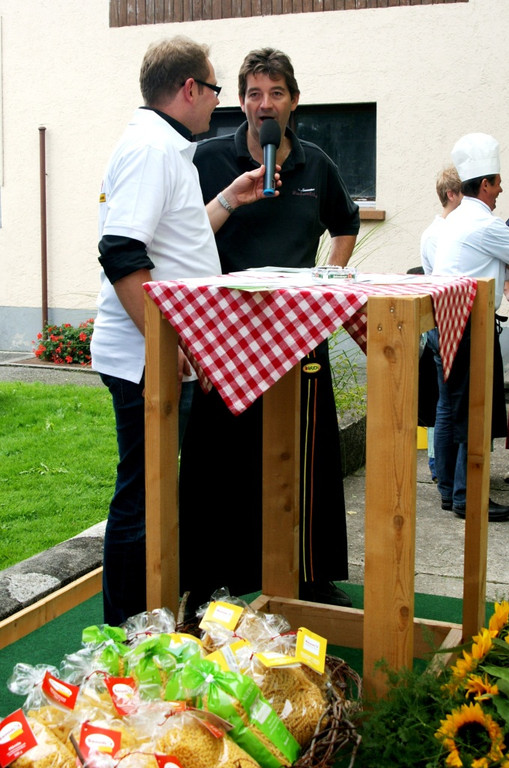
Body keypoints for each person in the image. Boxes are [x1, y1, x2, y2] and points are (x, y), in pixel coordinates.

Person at [91, 36, 280, 625]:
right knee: (142, 496)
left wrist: (228, 198)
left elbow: (175, 238)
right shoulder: (152, 149)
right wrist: (162, 341)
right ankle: (127, 634)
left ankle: (148, 621)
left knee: (154, 492)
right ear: (190, 88)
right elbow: (121, 250)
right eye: (216, 89)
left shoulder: (164, 148)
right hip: (146, 359)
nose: (219, 102)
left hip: (158, 353)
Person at [178, 47, 360, 613]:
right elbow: (180, 237)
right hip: (225, 338)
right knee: (218, 462)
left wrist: (329, 280)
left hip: (301, 335)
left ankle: (311, 575)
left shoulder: (316, 164)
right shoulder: (208, 159)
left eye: (276, 93)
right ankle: (209, 583)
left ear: (294, 101)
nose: (265, 104)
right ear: (240, 102)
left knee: (310, 456)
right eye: (255, 93)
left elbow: (346, 223)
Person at [429, 132, 509, 522]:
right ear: (485, 185)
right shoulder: (484, 224)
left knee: (449, 408)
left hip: (443, 323)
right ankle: (467, 496)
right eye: (497, 183)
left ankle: (449, 490)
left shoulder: (457, 218)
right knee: (473, 413)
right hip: (469, 325)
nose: (501, 190)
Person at [419, 166, 463, 482]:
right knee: (445, 400)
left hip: (446, 320)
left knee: (446, 399)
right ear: (451, 194)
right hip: (443, 321)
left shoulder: (446, 231)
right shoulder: (439, 234)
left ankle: (445, 468)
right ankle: (440, 465)